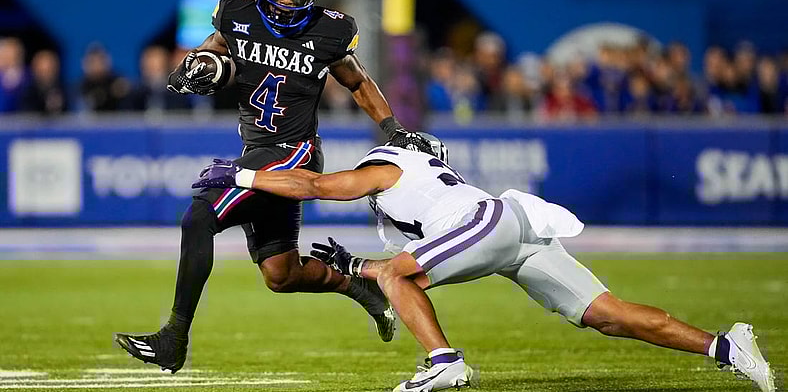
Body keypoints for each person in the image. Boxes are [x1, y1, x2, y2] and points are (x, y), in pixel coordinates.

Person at [192, 133, 776, 392]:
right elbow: (407, 274)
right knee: (607, 314)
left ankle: (444, 361)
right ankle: (727, 346)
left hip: (487, 225)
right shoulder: (425, 194)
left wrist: (243, 176)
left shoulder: (392, 167)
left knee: (398, 274)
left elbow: (319, 185)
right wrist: (355, 265)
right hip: (508, 227)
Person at [115, 0, 429, 373]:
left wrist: (392, 127)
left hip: (294, 153)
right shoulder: (236, 12)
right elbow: (213, 49)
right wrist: (189, 72)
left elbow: (358, 81)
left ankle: (174, 338)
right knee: (281, 275)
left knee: (199, 217)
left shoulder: (327, 31)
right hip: (258, 151)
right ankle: (361, 287)